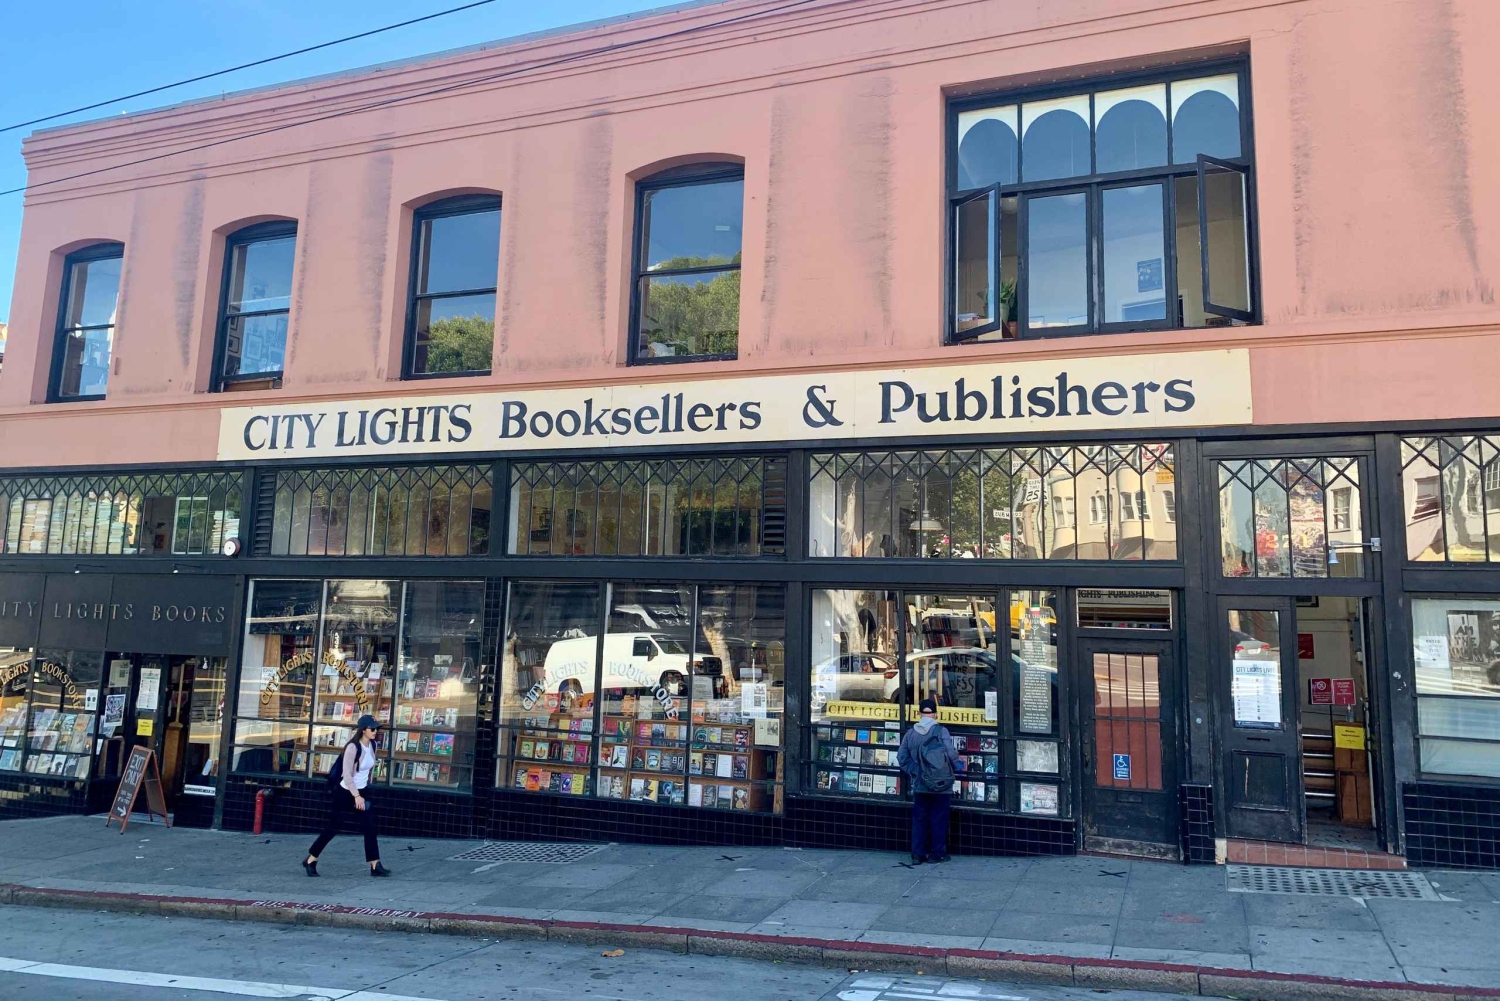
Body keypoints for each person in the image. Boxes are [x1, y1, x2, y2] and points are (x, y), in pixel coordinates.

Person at [303, 715, 391, 877]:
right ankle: (311, 859)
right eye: (372, 729)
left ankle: (375, 864)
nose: (375, 731)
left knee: (370, 826)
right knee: (334, 827)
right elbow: (347, 775)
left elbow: (368, 769)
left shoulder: (373, 744)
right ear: (363, 730)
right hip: (345, 793)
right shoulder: (352, 747)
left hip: (362, 792)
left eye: (376, 728)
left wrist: (365, 789)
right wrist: (356, 796)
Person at [897, 697, 964, 864]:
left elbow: (901, 757)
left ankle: (917, 854)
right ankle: (937, 854)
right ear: (935, 714)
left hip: (920, 784)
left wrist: (916, 772)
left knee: (919, 819)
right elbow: (950, 754)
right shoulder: (941, 731)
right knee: (939, 819)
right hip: (941, 784)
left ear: (919, 713)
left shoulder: (911, 734)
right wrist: (957, 766)